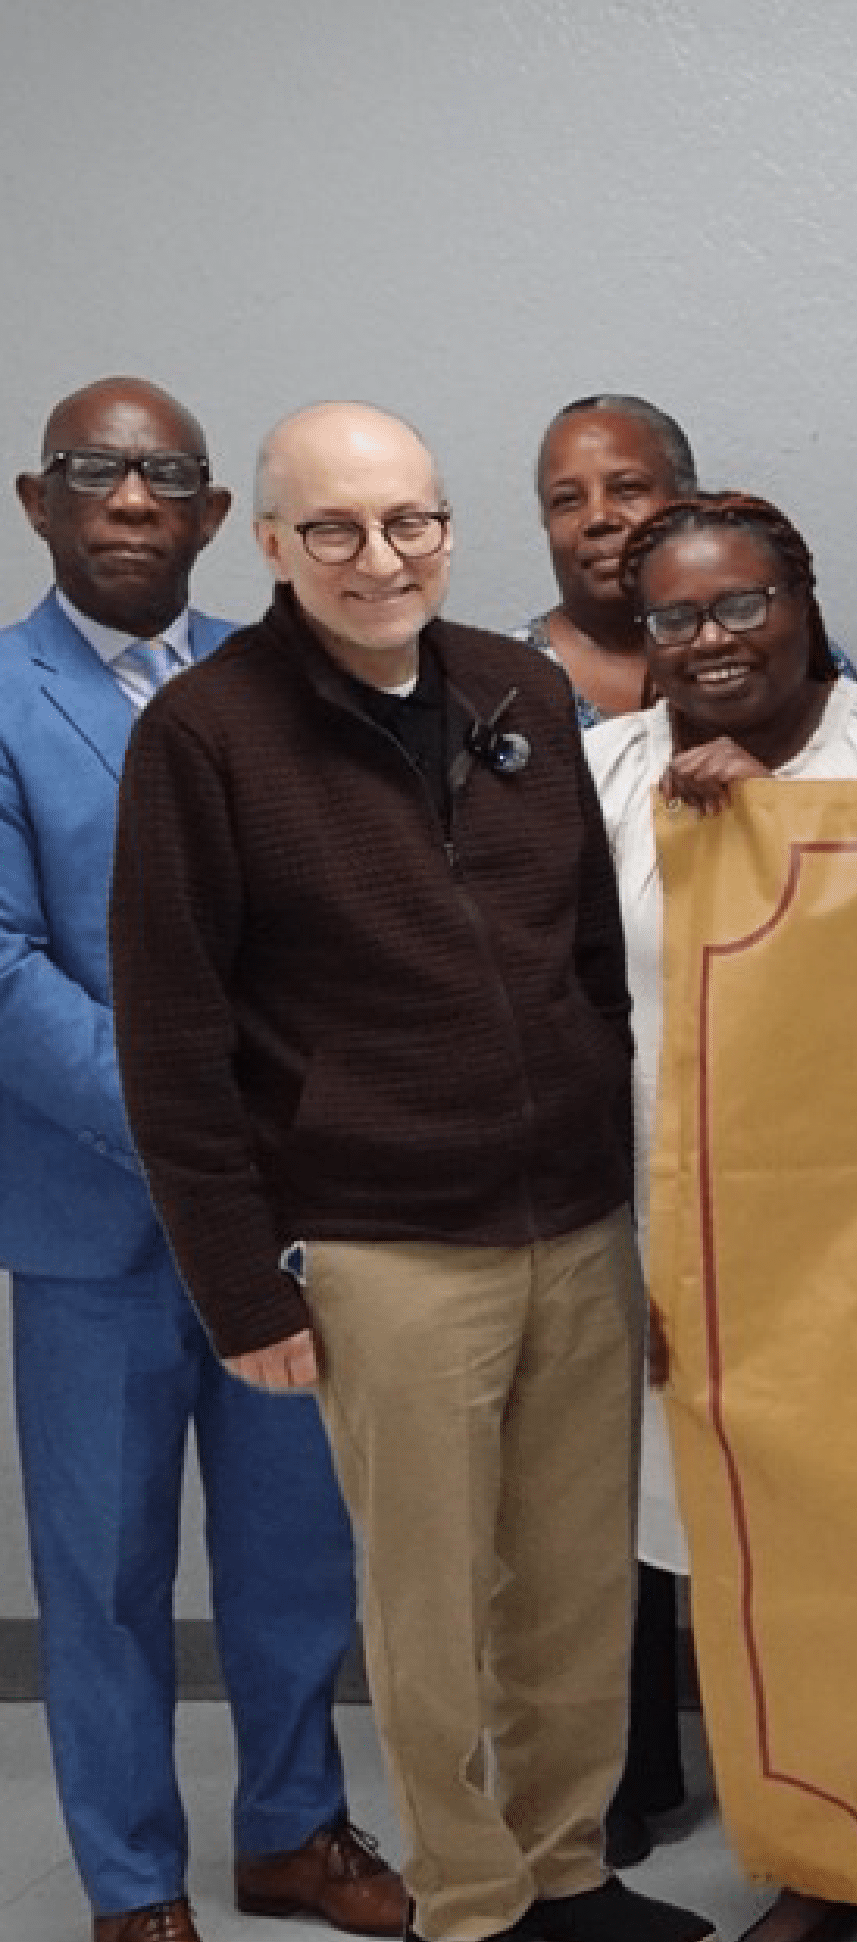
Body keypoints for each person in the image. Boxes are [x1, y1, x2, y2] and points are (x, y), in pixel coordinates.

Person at [109, 402, 709, 1942]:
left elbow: (589, 958)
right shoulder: (205, 735)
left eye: (413, 523)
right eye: (337, 530)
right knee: (431, 1608)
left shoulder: (519, 685)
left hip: (572, 1225)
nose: (381, 559)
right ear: (270, 543)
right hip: (387, 1245)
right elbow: (173, 1045)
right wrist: (240, 1288)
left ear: (449, 524)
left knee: (574, 1583)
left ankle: (567, 1867)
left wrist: (628, 1201)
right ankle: (471, 1899)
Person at [4, 379, 406, 1942]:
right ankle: (128, 1879)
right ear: (38, 502)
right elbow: (1, 960)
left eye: (164, 474)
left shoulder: (286, 680)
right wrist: (188, 1122)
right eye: (92, 471)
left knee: (295, 1551)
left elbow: (342, 925)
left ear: (213, 519)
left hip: (295, 1218)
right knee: (102, 1576)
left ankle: (295, 1829)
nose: (127, 499)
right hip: (95, 1217)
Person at [586, 494, 857, 1942]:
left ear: (805, 601)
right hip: (690, 1240)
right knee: (752, 1575)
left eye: (742, 604)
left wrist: (764, 825)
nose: (710, 641)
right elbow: (575, 1019)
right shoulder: (604, 776)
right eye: (675, 618)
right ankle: (815, 1867)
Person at [521, 396, 699, 729]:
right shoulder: (498, 686)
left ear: (686, 501)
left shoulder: (768, 658)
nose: (598, 518)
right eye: (567, 500)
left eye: (627, 489)